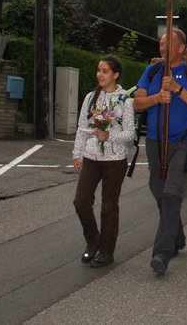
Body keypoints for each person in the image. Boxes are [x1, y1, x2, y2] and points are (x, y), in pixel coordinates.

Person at [133, 27, 187, 275]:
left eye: (168, 44)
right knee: (158, 190)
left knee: (172, 192)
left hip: (183, 141)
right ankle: (177, 236)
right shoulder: (152, 71)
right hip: (155, 141)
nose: (162, 48)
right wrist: (157, 98)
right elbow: (137, 103)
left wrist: (177, 89)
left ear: (181, 48)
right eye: (161, 44)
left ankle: (161, 253)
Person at [72, 55, 135, 268]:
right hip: (91, 157)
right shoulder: (91, 97)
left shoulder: (124, 100)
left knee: (109, 206)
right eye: (99, 70)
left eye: (105, 71)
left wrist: (110, 136)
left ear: (115, 75)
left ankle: (107, 250)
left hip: (115, 160)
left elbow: (130, 133)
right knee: (81, 202)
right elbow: (82, 127)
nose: (100, 74)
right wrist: (77, 154)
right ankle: (93, 241)